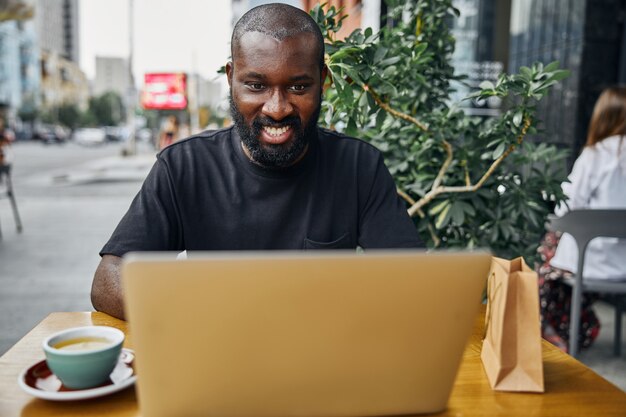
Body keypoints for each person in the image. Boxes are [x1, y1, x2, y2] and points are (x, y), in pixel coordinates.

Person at [91, 3, 423, 320]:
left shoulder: (358, 167)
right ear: (231, 79)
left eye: (298, 86)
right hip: (215, 357)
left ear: (322, 81)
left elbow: (413, 281)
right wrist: (202, 313)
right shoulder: (184, 166)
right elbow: (109, 280)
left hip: (323, 359)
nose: (276, 108)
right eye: (256, 85)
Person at [538, 86, 626, 352]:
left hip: (588, 261)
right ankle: (577, 321)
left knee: (545, 260)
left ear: (603, 116)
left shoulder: (596, 154)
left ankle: (556, 329)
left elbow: (568, 206)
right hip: (622, 265)